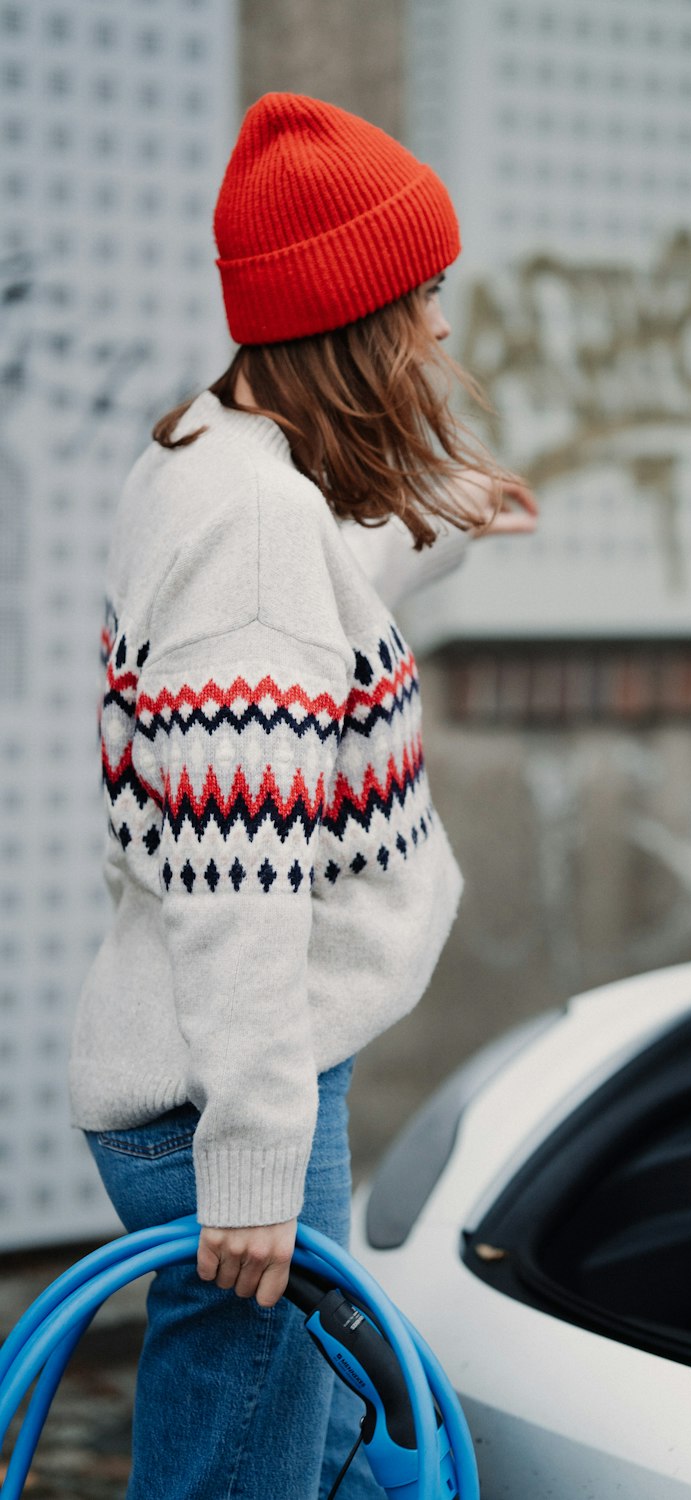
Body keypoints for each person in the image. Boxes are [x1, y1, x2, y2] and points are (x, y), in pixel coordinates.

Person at [68, 91, 537, 1500]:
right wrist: (261, 1168)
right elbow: (242, 882)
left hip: (216, 1074)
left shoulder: (209, 454)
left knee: (296, 1453)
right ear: (357, 314)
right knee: (247, 1481)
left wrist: (440, 521)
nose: (442, 329)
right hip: (231, 1089)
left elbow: (309, 612)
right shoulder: (255, 535)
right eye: (426, 294)